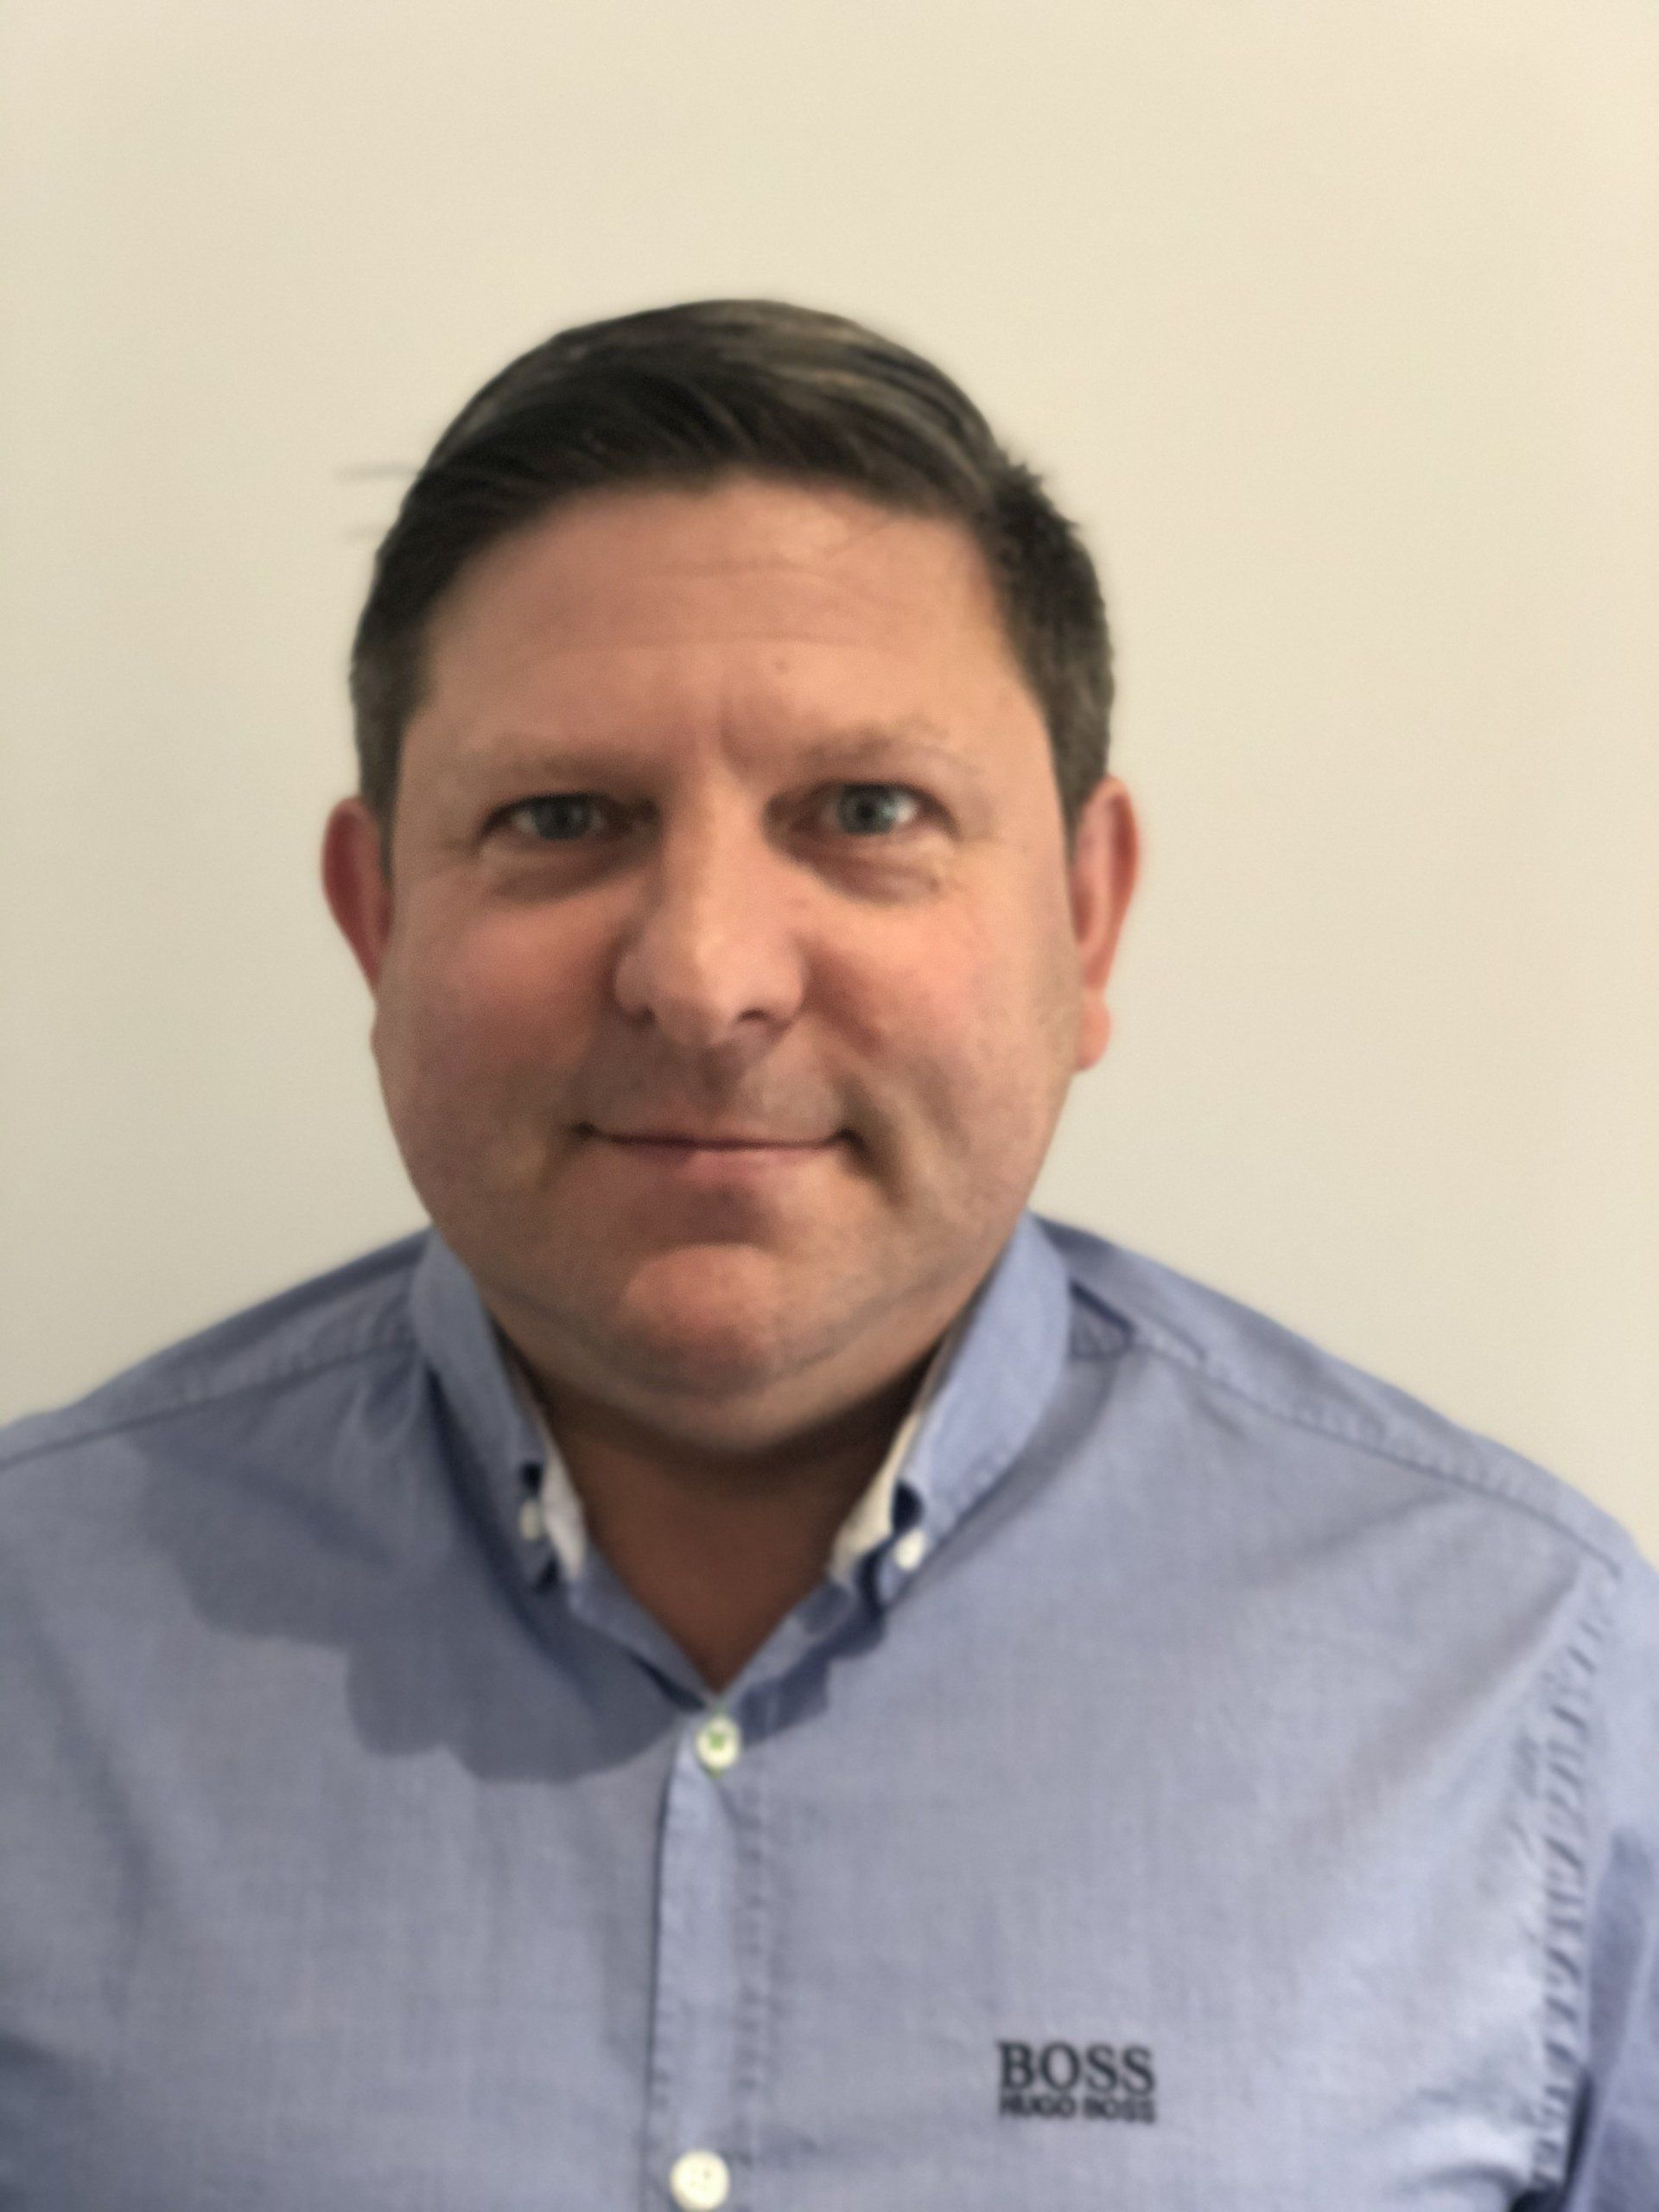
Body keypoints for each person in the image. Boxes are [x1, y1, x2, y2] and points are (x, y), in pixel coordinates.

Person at [1, 299, 1653, 2212]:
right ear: (377, 920)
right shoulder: (35, 1641)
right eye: (559, 816)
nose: (704, 976)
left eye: (869, 812)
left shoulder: (1525, 1676)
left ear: (1087, 916)